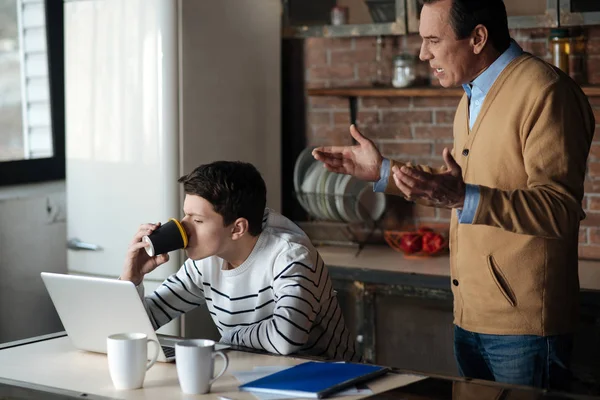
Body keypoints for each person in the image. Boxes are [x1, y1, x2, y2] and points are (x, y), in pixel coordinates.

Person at [312, 0, 594, 390]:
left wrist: (466, 198)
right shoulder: (471, 96)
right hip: (469, 317)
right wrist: (382, 172)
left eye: (433, 40)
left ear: (478, 37)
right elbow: (455, 188)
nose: (424, 54)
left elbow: (559, 209)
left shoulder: (546, 92)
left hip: (526, 327)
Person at [120, 161, 359, 362]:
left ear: (237, 228)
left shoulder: (289, 256)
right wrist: (131, 281)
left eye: (198, 220)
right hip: (251, 375)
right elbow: (139, 324)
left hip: (329, 381)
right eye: (185, 214)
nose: (184, 227)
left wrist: (230, 339)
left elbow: (287, 338)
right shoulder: (205, 260)